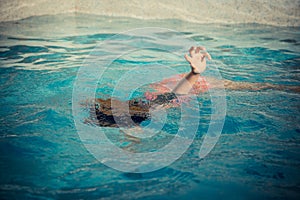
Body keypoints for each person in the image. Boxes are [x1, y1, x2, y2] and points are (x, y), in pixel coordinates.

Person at [89, 46, 299, 128]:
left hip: (172, 91)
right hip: (169, 90)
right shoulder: (142, 104)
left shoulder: (145, 106)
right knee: (254, 87)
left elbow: (173, 96)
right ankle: (287, 88)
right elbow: (173, 97)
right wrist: (194, 74)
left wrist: (194, 74)